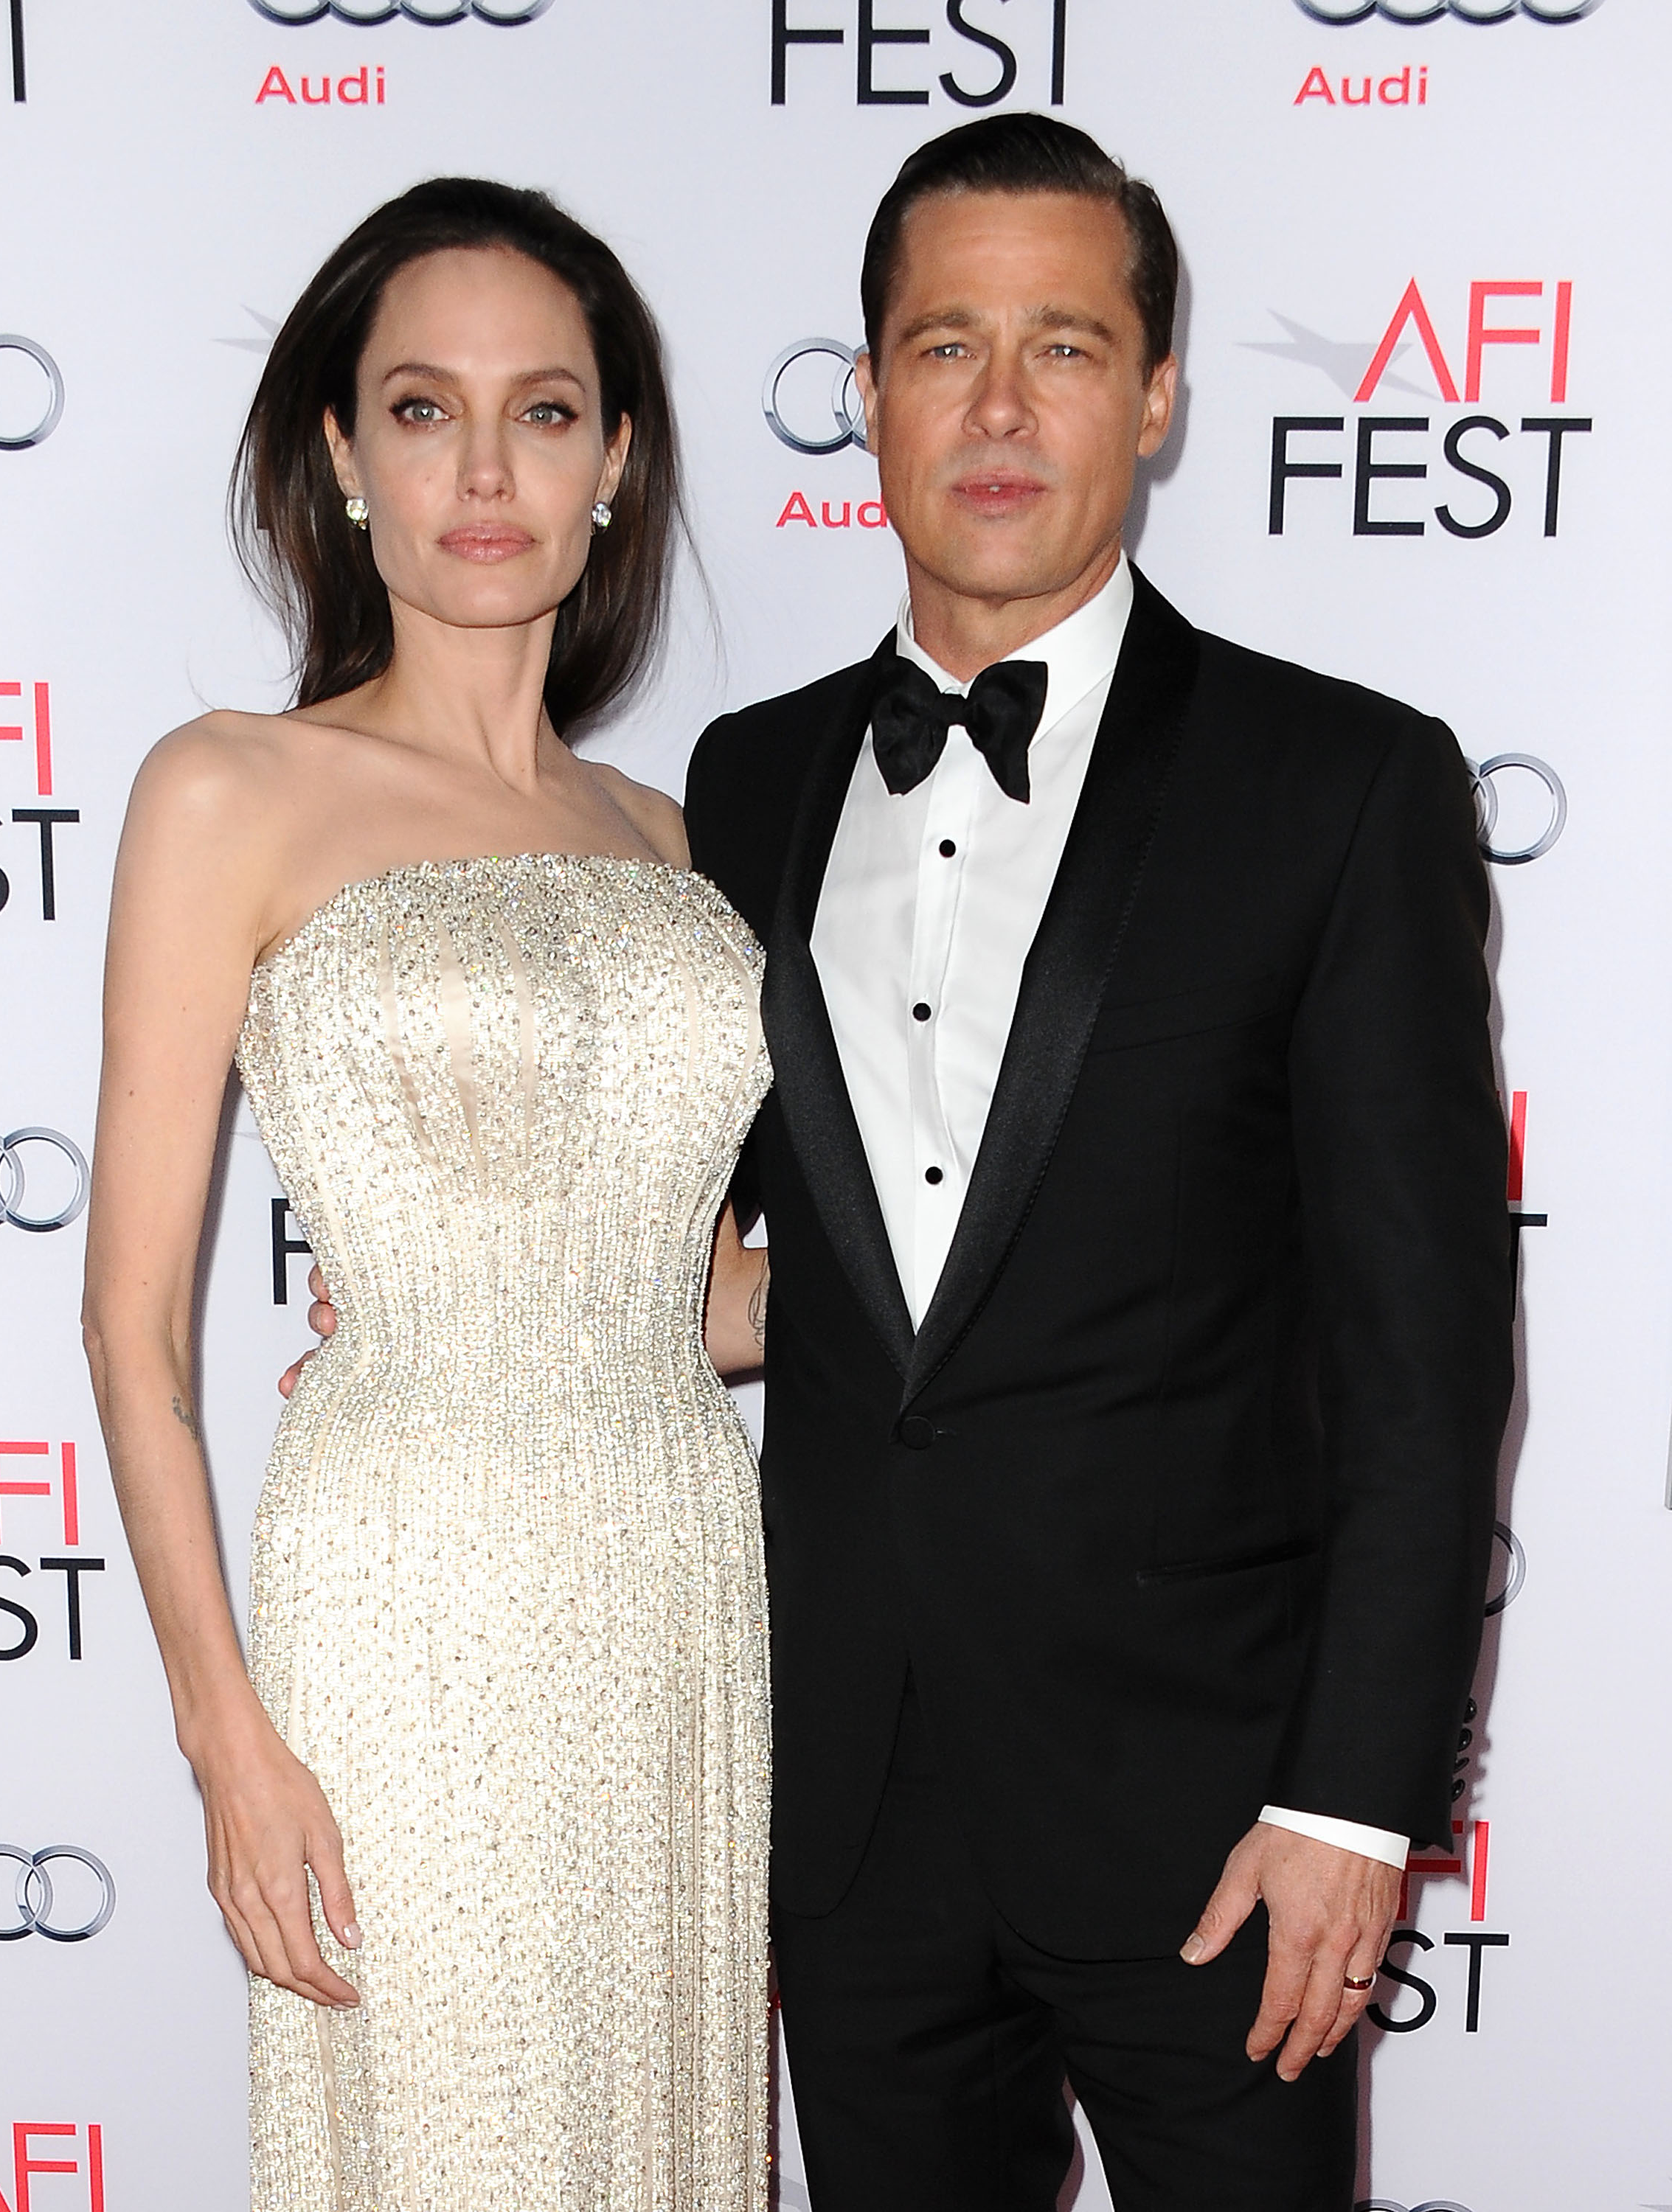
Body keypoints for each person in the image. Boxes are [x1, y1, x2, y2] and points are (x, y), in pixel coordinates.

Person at [683, 116, 1513, 2210]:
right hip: (854, 1806)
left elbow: (1424, 1356)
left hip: (1215, 1820)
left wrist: (1351, 1805)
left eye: (1064, 344)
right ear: (863, 390)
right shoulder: (749, 775)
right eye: (941, 342)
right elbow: (800, 1247)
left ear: (1153, 396)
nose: (994, 402)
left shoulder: (1340, 783)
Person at [83, 178, 773, 2212]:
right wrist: (228, 1734)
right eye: (421, 407)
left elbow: (699, 1296)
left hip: (678, 1581)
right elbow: (133, 1326)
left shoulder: (680, 836)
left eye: (545, 412)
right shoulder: (231, 789)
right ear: (341, 456)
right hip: (403, 1592)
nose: (485, 468)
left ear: (619, 465)